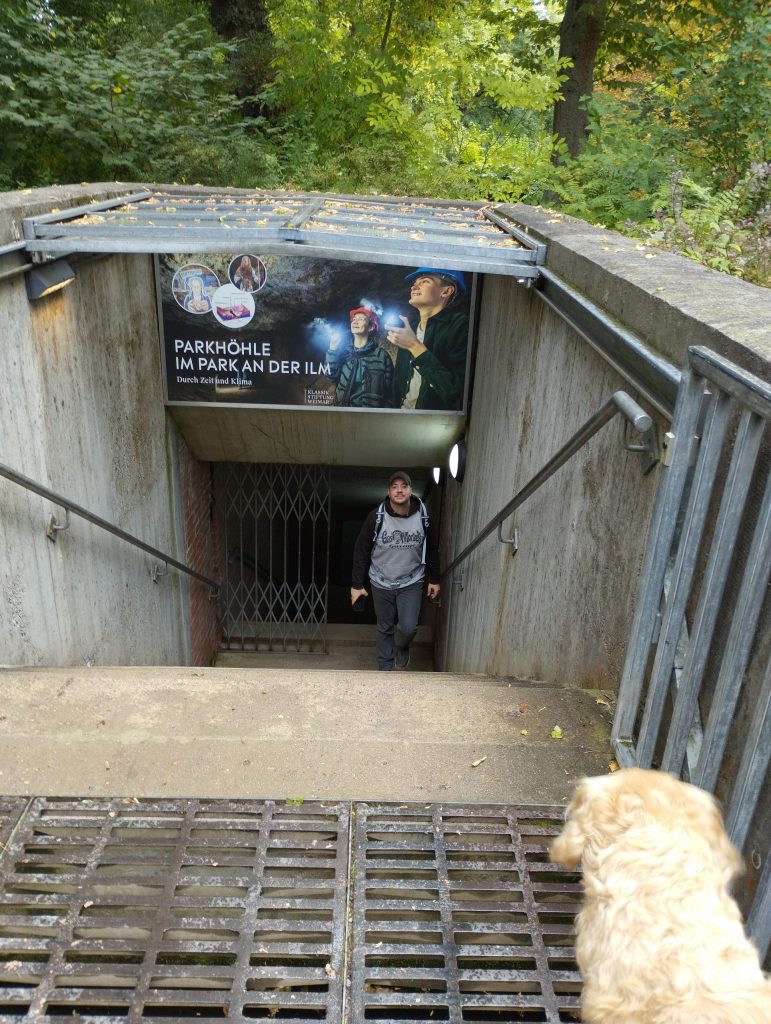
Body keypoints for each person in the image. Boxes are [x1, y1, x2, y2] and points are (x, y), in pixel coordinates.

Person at [350, 471, 441, 671]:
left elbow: (432, 548)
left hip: (411, 581)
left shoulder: (423, 517)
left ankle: (402, 646)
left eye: (403, 486)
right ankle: (384, 669)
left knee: (408, 627)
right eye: (394, 487)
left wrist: (434, 579)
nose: (399, 490)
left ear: (410, 490)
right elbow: (361, 550)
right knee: (384, 626)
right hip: (380, 581)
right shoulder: (376, 517)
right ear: (389, 492)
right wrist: (357, 585)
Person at [388, 268, 469, 410]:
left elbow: (459, 394)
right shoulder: (410, 330)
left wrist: (415, 346)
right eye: (414, 283)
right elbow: (398, 383)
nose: (414, 286)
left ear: (446, 291)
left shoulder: (461, 327)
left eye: (425, 281)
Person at [326, 306, 394, 408]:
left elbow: (390, 392)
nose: (355, 322)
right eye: (354, 319)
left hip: (370, 417)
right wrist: (332, 349)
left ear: (371, 327)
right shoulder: (343, 352)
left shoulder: (381, 356)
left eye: (361, 319)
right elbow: (331, 376)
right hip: (342, 413)